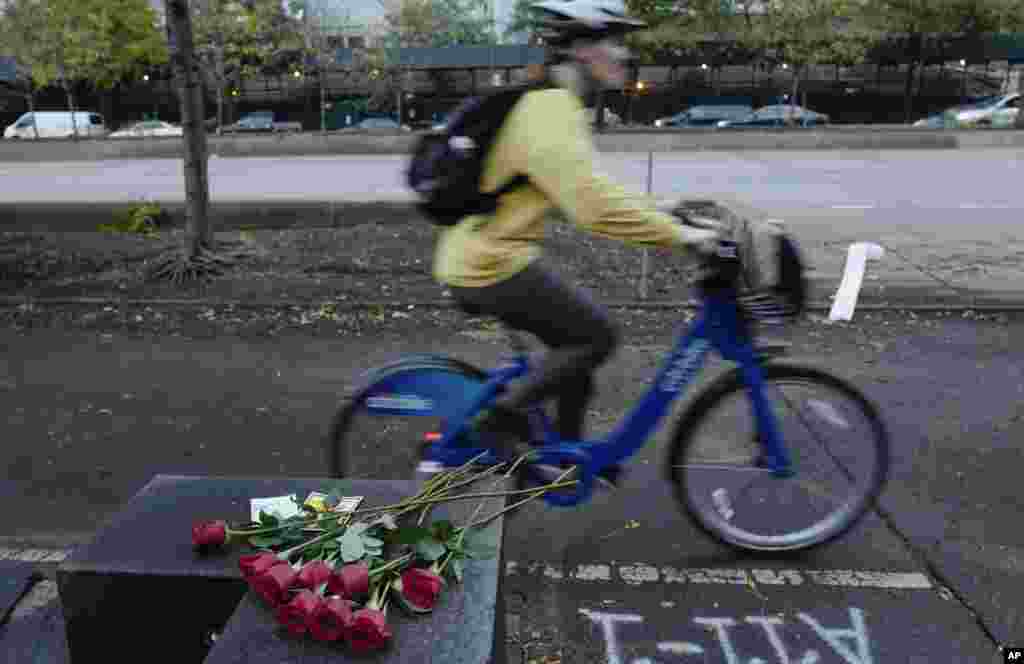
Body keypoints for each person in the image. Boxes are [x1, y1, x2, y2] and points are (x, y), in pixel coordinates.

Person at [432, 0, 720, 486]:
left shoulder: (556, 105)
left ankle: (568, 455)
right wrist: (683, 237)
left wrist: (661, 208)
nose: (625, 54)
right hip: (487, 264)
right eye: (616, 40)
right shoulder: (548, 112)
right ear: (583, 48)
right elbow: (593, 209)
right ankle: (497, 423)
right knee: (595, 336)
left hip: (493, 252)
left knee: (575, 350)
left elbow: (587, 188)